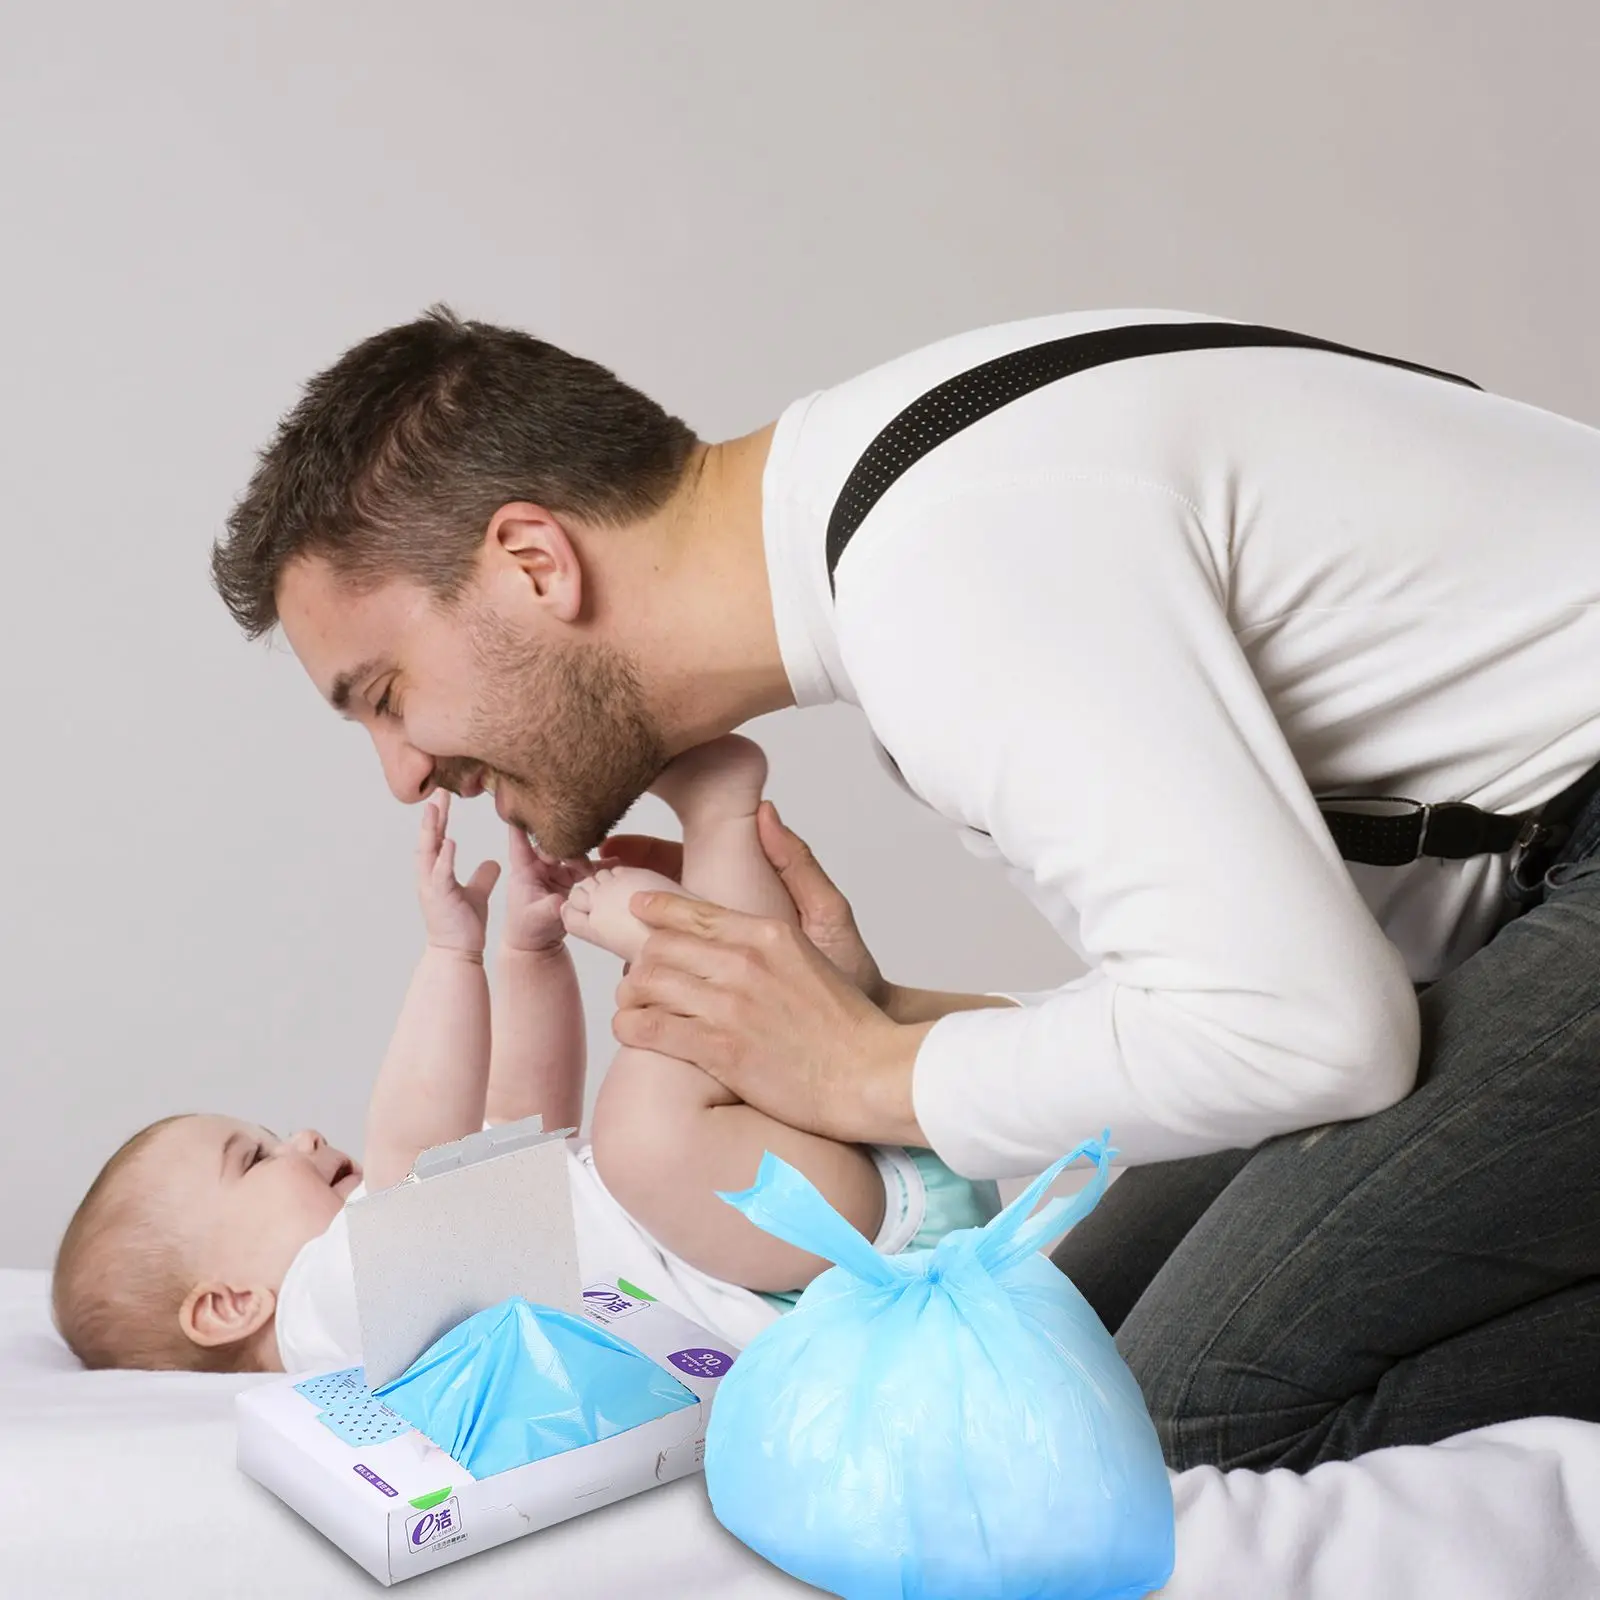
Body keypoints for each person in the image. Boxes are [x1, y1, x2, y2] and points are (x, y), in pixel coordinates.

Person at [211, 304, 1600, 1469]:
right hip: (1543, 888)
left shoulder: (952, 571)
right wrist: (872, 1024)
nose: (402, 775)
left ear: (532, 561)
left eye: (386, 697)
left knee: (1179, 1425)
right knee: (1072, 1351)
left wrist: (872, 1072)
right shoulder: (907, 532)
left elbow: (1317, 1034)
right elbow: (1288, 992)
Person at [52, 737, 997, 1371]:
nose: (297, 1135)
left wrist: (527, 954)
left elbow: (528, 1131)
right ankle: (712, 843)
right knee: (643, 1134)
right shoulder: (323, 1318)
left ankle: (735, 881)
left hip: (804, 1220)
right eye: (253, 1157)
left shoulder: (417, 1273)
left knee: (649, 1125)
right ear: (227, 1306)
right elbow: (415, 1145)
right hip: (806, 1257)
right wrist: (449, 954)